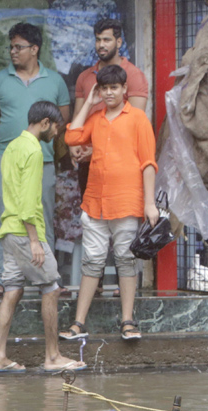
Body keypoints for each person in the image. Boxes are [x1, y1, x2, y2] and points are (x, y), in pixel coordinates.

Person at [61, 65, 158, 342]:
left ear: (125, 89)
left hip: (127, 202)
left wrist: (149, 203)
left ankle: (128, 321)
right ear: (99, 91)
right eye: (104, 88)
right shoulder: (96, 117)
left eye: (114, 87)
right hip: (95, 203)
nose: (110, 93)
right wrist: (88, 103)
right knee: (92, 263)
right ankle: (79, 323)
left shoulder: (138, 118)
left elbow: (148, 163)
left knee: (127, 262)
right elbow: (72, 137)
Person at [0, 102, 84, 374]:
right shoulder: (32, 150)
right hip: (24, 232)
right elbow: (29, 200)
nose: (57, 134)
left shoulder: (12, 147)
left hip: (9, 230)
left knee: (12, 291)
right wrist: (34, 241)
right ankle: (52, 356)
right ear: (44, 123)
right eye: (56, 127)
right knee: (51, 287)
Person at [0, 23, 70, 293]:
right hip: (6, 160)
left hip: (43, 161)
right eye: (11, 47)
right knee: (3, 217)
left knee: (43, 217)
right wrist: (14, 145)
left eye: (18, 47)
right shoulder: (0, 79)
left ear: (35, 49)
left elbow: (62, 120)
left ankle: (47, 276)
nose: (12, 52)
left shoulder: (54, 80)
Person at [70, 18, 150, 178]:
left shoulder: (133, 76)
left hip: (120, 162)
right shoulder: (85, 77)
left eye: (107, 40)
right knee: (89, 203)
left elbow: (134, 124)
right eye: (98, 40)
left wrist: (100, 147)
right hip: (88, 161)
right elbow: (78, 115)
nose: (101, 45)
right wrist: (74, 144)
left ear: (119, 42)